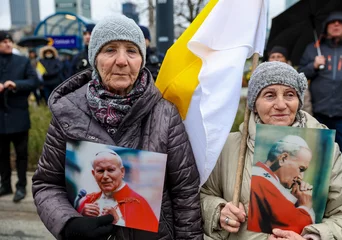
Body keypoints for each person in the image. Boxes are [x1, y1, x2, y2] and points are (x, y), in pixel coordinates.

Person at [32, 15, 203, 240]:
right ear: (95, 58)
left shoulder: (165, 114)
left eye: (131, 51)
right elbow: (47, 183)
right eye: (110, 50)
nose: (122, 61)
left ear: (141, 59)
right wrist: (68, 223)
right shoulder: (68, 112)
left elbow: (185, 194)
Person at [201, 61, 342, 240]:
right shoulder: (228, 147)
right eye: (269, 95)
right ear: (254, 103)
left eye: (289, 95)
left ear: (299, 101)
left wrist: (313, 237)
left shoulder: (327, 148)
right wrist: (217, 211)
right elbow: (199, 198)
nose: (281, 104)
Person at [298, 11, 342, 162]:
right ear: (325, 28)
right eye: (332, 22)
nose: (336, 24)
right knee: (318, 155)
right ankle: (322, 186)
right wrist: (313, 65)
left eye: (340, 22)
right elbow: (299, 76)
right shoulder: (313, 49)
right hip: (319, 114)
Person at [77, 149, 158, 233]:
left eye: (111, 170)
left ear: (122, 172)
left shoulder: (138, 203)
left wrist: (118, 222)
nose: (105, 176)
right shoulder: (87, 201)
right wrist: (82, 217)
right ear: (94, 174)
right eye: (100, 171)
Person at [247, 135, 315, 234]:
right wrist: (305, 205)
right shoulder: (263, 183)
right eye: (301, 169)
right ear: (283, 158)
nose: (301, 177)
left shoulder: (257, 177)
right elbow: (291, 228)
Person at [0, 30, 38, 202]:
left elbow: (34, 82)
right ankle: (5, 184)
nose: (8, 43)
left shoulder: (22, 61)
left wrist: (15, 84)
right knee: (2, 154)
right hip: (1, 117)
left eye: (9, 40)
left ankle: (21, 186)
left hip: (19, 115)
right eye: (4, 41)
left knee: (21, 154)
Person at [268, 46, 312, 115]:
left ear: (286, 60)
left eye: (279, 56)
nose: (276, 59)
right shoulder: (263, 78)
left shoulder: (295, 77)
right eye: (272, 57)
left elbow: (305, 102)